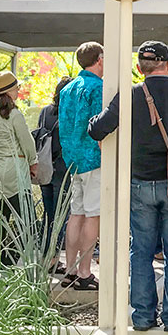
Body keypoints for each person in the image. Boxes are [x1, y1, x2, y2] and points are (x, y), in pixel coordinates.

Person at [104, 40, 168, 331]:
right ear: (167, 64)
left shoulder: (130, 95)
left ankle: (142, 317)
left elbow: (99, 128)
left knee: (141, 251)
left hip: (138, 184)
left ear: (140, 68)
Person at [59, 41, 105, 291]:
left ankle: (70, 270)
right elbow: (98, 128)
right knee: (93, 215)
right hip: (92, 159)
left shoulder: (67, 89)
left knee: (75, 214)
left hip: (72, 160)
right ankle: (85, 272)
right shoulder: (97, 87)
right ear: (99, 59)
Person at [0, 70, 38, 267]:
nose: (18, 91)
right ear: (9, 92)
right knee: (25, 220)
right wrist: (33, 162)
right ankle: (16, 256)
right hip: (15, 171)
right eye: (16, 88)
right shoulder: (14, 115)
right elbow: (27, 143)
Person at [36, 75, 73, 272]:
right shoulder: (69, 114)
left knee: (48, 216)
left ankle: (44, 256)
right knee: (60, 217)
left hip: (45, 167)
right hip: (63, 169)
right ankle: (52, 259)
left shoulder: (45, 112)